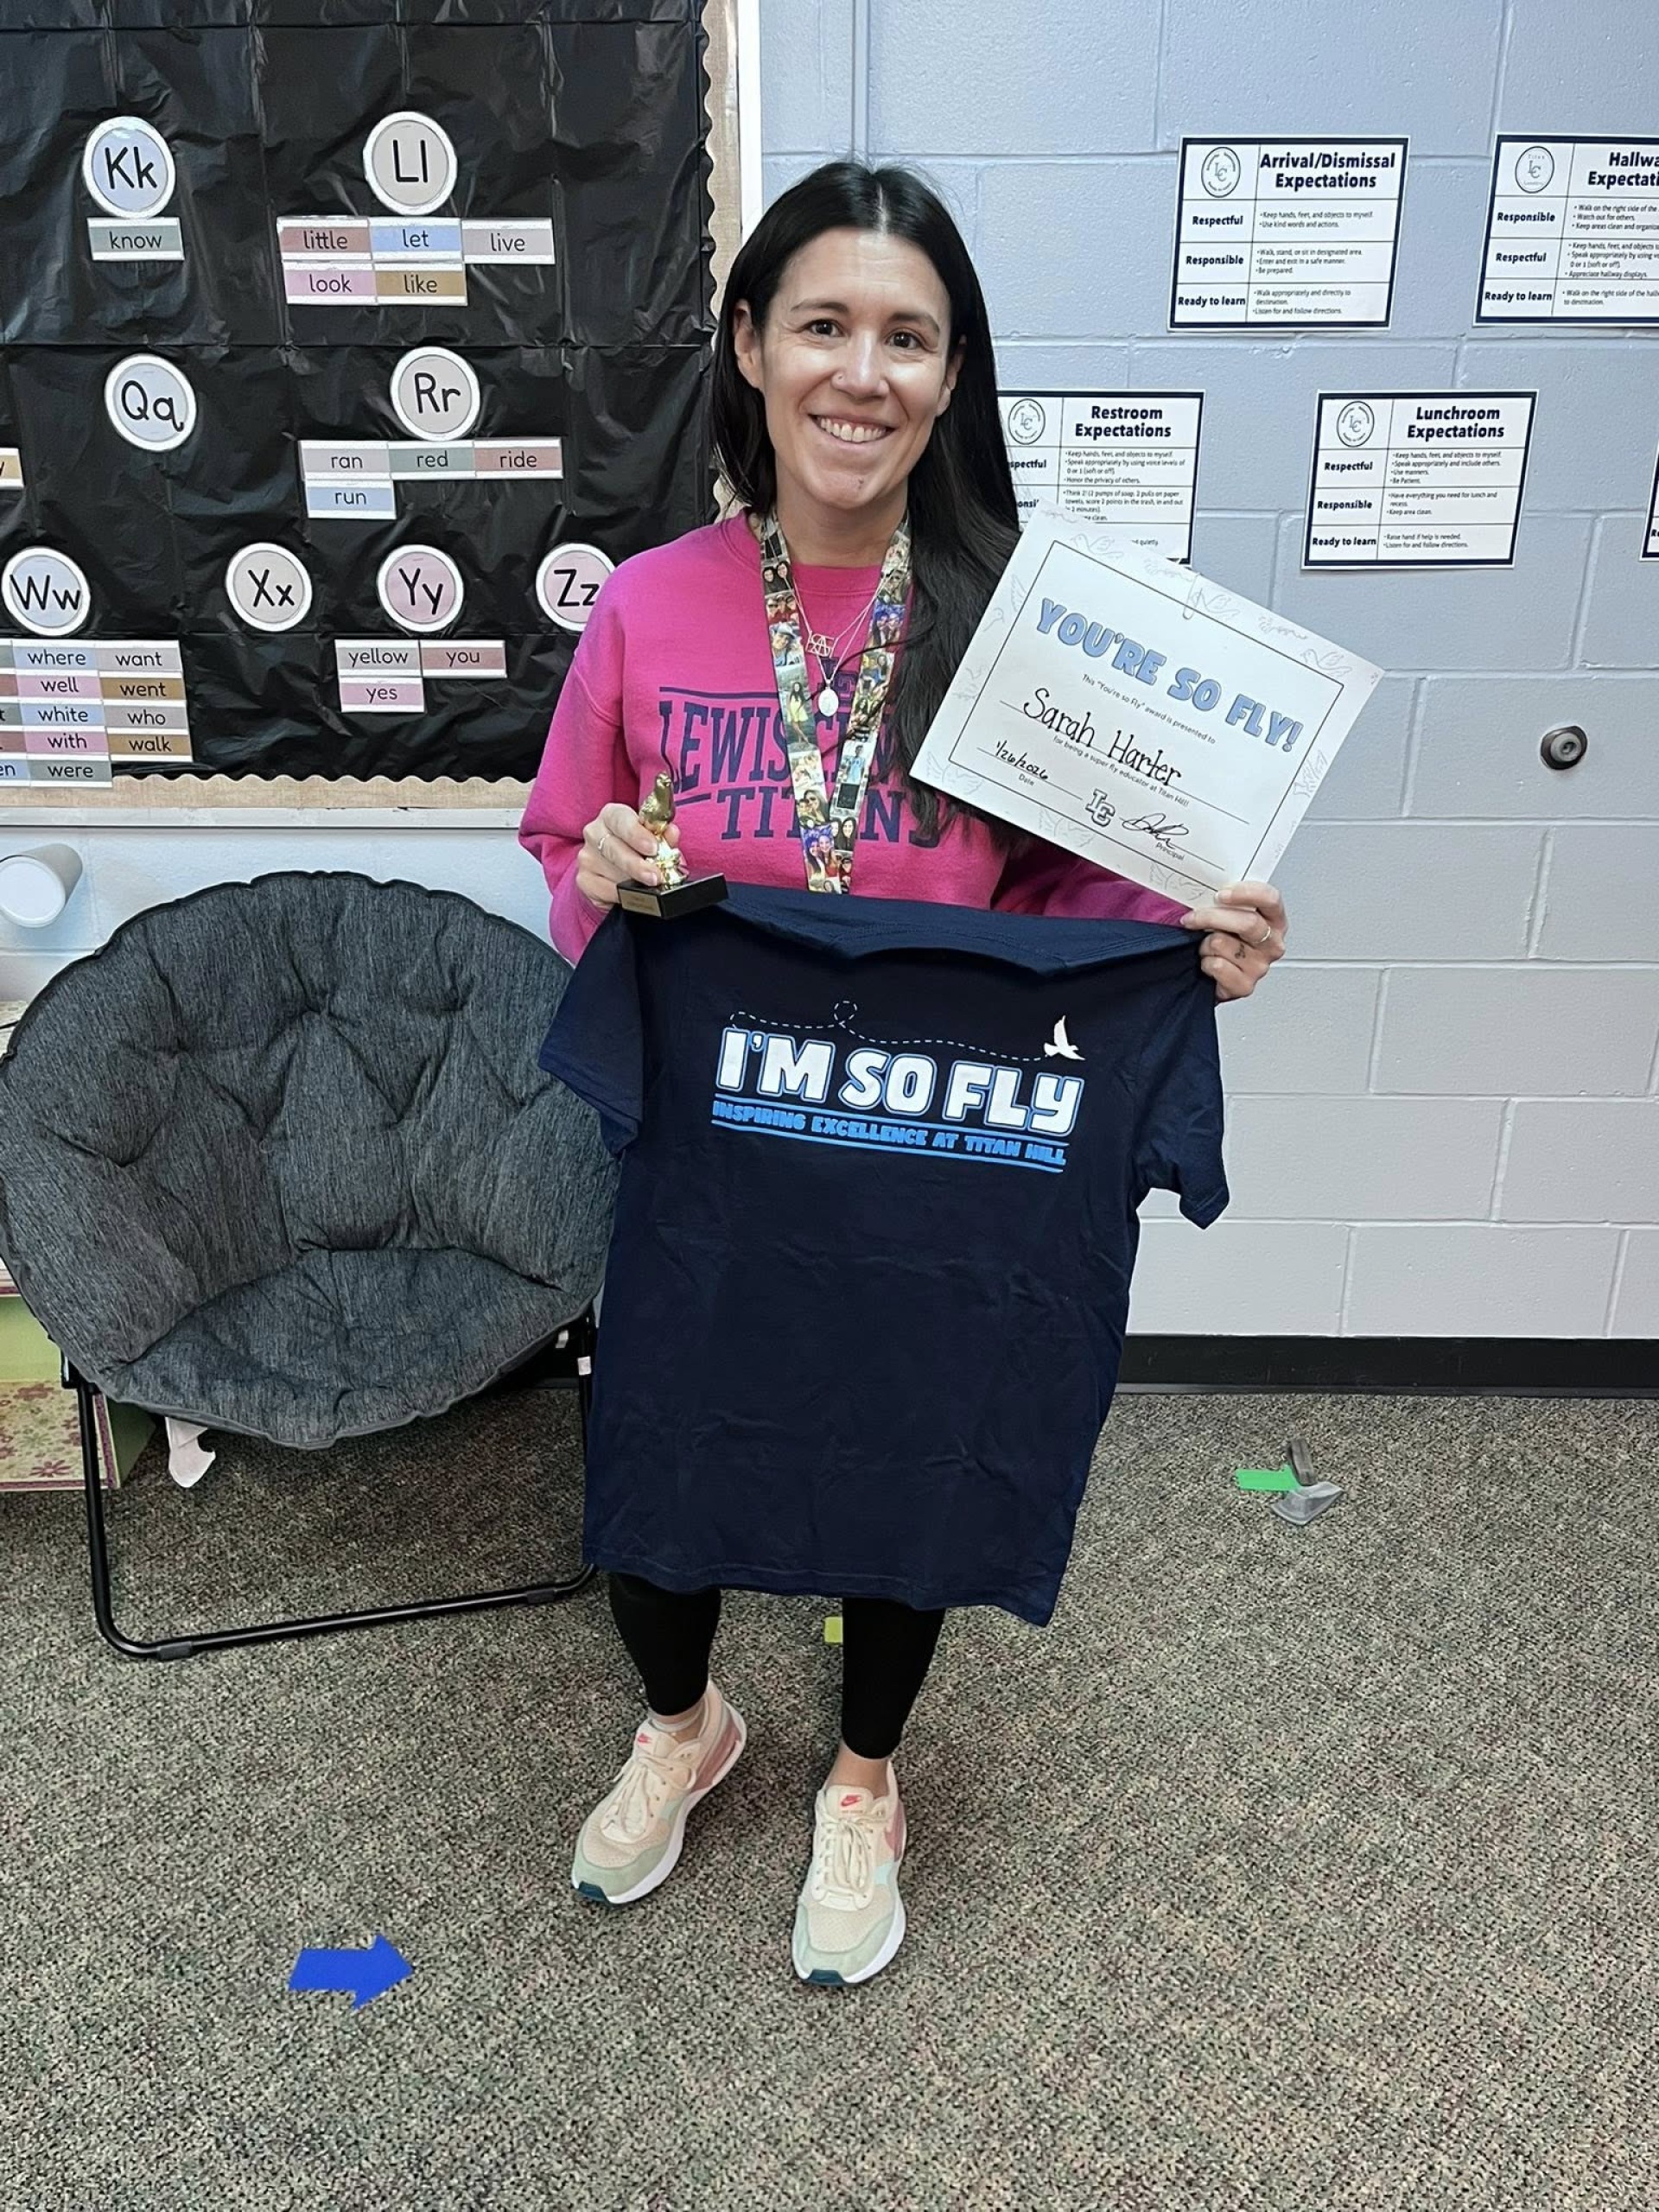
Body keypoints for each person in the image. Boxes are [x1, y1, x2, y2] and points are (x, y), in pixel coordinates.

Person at [518, 160, 1287, 1987]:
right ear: (752, 347)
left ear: (951, 377)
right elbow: (564, 842)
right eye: (825, 325)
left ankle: (864, 1774)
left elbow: (1090, 895)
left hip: (940, 1151)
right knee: (661, 1450)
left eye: (909, 338)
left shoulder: (1018, 627)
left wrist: (1199, 943)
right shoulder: (651, 608)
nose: (863, 371)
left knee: (906, 1450)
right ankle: (686, 1723)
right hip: (716, 1143)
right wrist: (604, 870)